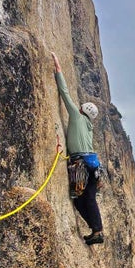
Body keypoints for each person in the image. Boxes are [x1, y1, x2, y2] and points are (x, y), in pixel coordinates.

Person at [51, 52, 104, 245]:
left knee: (82, 199)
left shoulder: (76, 116)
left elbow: (64, 93)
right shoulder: (89, 126)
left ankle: (97, 230)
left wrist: (58, 68)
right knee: (87, 198)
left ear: (82, 110)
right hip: (93, 164)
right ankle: (96, 230)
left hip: (80, 163)